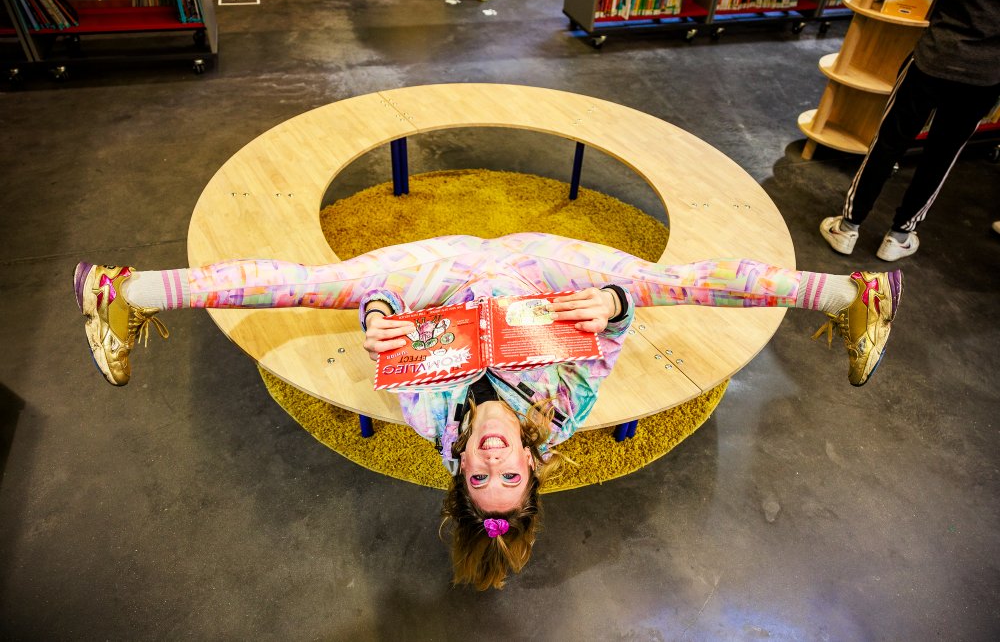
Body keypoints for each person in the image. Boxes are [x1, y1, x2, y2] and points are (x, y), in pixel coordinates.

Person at [74, 232, 903, 589]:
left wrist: (377, 317)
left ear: (461, 472)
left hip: (441, 272)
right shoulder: (557, 409)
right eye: (511, 473)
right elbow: (613, 328)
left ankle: (124, 292)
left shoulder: (432, 418)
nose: (495, 454)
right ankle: (847, 294)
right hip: (542, 270)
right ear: (533, 468)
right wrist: (613, 301)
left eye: (482, 473)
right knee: (672, 281)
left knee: (313, 284)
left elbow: (392, 310)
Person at [820, 0, 1000, 261]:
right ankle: (899, 236)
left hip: (934, 59)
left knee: (888, 142)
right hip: (985, 76)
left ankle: (847, 227)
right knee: (942, 156)